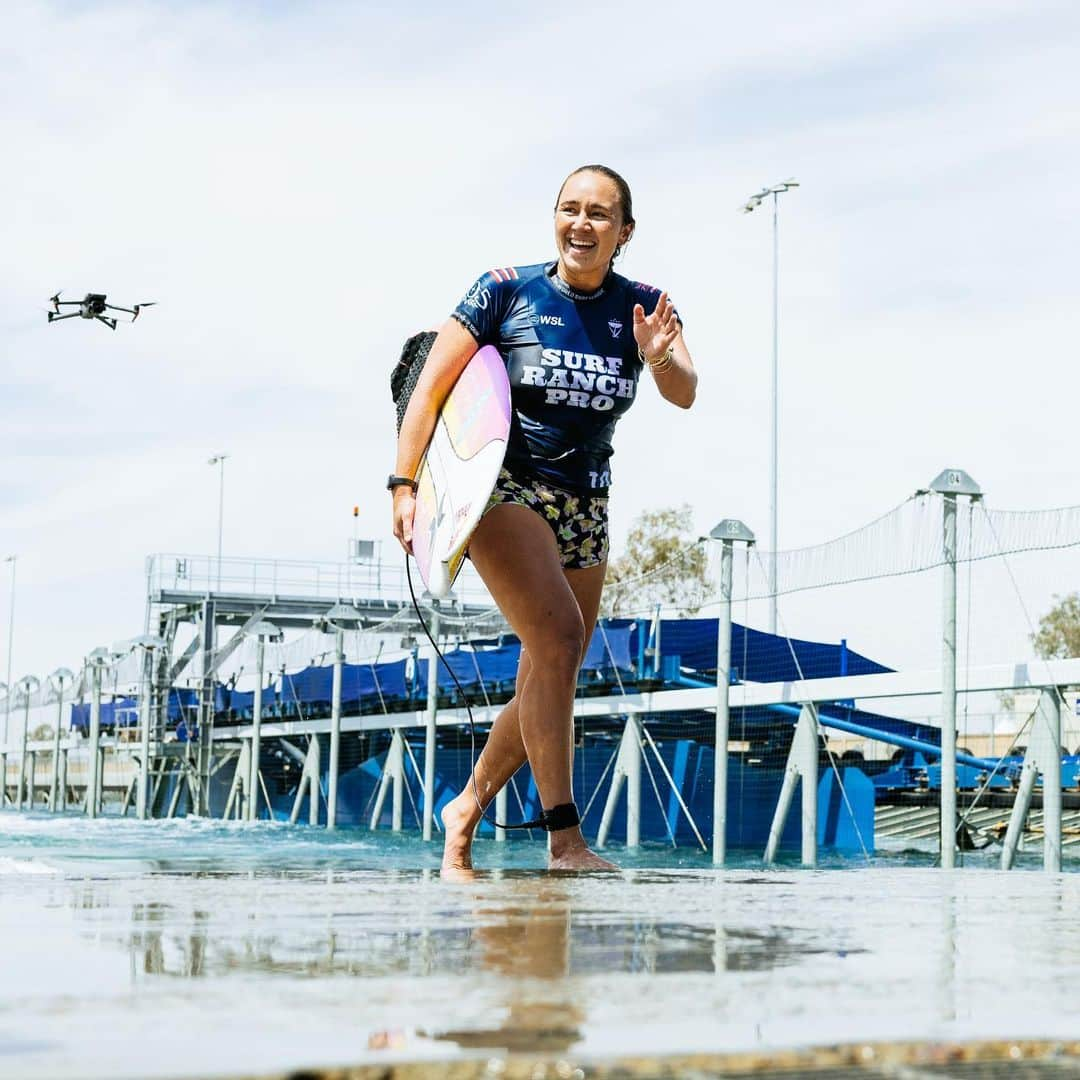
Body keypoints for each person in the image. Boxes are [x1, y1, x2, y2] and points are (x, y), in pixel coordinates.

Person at [391, 164, 697, 872]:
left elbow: (685, 391)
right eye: (570, 209)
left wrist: (658, 360)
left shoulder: (646, 305)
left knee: (548, 668)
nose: (581, 224)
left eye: (599, 214)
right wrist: (404, 485)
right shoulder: (504, 290)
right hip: (504, 489)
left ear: (625, 231)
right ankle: (564, 839)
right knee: (559, 638)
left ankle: (464, 807)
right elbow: (429, 391)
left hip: (587, 500)